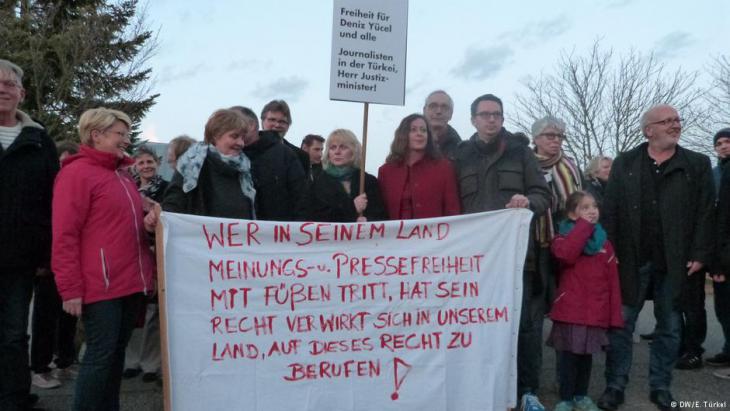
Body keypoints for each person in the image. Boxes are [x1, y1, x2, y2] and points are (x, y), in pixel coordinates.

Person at [599, 104, 715, 411]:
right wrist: (610, 250)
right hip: (630, 258)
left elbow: (706, 213)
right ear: (648, 130)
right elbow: (609, 211)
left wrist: (701, 253)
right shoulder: (626, 162)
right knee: (622, 323)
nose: (675, 125)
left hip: (677, 261)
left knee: (670, 325)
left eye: (677, 120)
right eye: (667, 121)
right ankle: (615, 384)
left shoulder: (697, 163)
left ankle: (661, 385)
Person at [52, 107, 156, 411]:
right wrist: (70, 288)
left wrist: (148, 217)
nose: (126, 139)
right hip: (102, 284)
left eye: (127, 133)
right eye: (119, 134)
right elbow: (65, 234)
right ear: (96, 135)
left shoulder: (122, 176)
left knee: (114, 356)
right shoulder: (76, 173)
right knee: (100, 357)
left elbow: (126, 223)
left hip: (130, 282)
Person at [453, 93, 550, 411]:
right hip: (474, 262)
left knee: (521, 327)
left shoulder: (521, 153)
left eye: (497, 114)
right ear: (473, 120)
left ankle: (527, 392)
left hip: (518, 259)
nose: (492, 119)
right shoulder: (461, 155)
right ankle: (482, 389)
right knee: (478, 326)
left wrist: (528, 201)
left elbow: (542, 194)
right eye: (485, 114)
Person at [0, 58, 59, 411]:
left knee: (13, 336)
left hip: (20, 259)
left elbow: (55, 201)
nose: (3, 89)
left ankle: (14, 399)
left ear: (21, 94)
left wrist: (47, 255)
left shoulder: (40, 141)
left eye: (9, 84)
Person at [548, 191, 623, 411]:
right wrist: (583, 227)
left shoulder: (605, 243)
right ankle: (565, 397)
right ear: (572, 213)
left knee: (585, 358)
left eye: (594, 207)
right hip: (571, 310)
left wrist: (614, 316)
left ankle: (581, 395)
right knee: (568, 357)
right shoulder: (562, 237)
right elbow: (567, 254)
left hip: (595, 311)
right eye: (585, 207)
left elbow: (613, 282)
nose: (592, 211)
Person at [30, 141, 82, 390]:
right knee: (45, 317)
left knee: (69, 316)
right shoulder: (45, 188)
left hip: (73, 262)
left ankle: (65, 361)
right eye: (63, 163)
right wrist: (41, 260)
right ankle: (40, 367)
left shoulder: (76, 187)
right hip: (49, 264)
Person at [122, 146, 168, 383]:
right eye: (141, 163)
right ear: (135, 166)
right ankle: (130, 361)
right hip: (132, 252)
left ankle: (151, 363)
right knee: (133, 310)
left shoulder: (167, 188)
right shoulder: (128, 188)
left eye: (150, 161)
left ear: (157, 163)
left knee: (154, 310)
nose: (146, 166)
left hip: (156, 251)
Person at [163, 109, 255, 219]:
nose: (241, 143)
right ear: (216, 135)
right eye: (234, 136)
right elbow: (172, 206)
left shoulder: (247, 169)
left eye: (243, 138)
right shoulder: (191, 164)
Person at [531, 116, 583, 311]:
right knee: (541, 289)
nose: (556, 140)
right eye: (550, 136)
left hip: (567, 233)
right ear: (535, 138)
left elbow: (581, 199)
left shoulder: (569, 166)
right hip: (539, 235)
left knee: (567, 288)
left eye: (560, 136)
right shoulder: (528, 164)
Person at [231, 106, 308, 221]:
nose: (228, 129)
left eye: (232, 123)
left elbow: (301, 198)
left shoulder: (285, 155)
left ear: (251, 125)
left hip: (276, 233)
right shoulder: (227, 154)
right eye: (272, 120)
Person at [377, 113, 460, 219]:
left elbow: (452, 210)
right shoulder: (386, 171)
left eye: (423, 130)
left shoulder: (444, 168)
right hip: (396, 234)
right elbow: (380, 212)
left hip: (433, 234)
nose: (419, 133)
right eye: (413, 130)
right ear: (403, 135)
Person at [308, 129, 387, 222]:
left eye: (343, 147)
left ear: (354, 151)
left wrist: (368, 220)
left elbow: (381, 215)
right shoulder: (319, 182)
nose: (337, 152)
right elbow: (315, 217)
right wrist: (352, 208)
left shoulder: (368, 181)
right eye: (333, 147)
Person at [709, 128, 730, 375]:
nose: (724, 146)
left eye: (728, 142)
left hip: (726, 253)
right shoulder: (714, 175)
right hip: (720, 249)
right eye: (719, 143)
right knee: (723, 307)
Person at [260, 99, 309, 173]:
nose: (277, 125)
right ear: (262, 122)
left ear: (288, 125)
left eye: (282, 121)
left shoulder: (301, 157)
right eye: (272, 120)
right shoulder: (247, 150)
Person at [423, 90, 461, 159]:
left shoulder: (463, 151)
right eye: (433, 106)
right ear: (424, 111)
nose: (438, 111)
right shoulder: (407, 146)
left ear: (451, 114)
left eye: (444, 107)